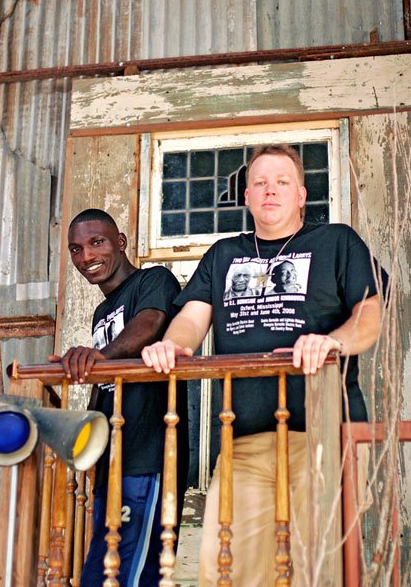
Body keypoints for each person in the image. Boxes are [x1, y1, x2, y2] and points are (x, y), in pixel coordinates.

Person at [141, 144, 383, 587]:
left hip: (325, 431)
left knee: (317, 567)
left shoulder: (336, 241)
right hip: (244, 439)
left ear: (301, 195)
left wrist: (330, 342)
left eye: (282, 182)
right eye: (260, 183)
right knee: (231, 569)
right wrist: (171, 346)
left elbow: (370, 314)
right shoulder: (223, 254)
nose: (271, 191)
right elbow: (192, 318)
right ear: (247, 197)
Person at [49, 208, 188, 587]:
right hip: (111, 466)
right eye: (76, 249)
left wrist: (97, 357)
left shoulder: (153, 280)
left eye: (97, 243)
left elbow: (150, 325)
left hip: (148, 457)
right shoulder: (101, 312)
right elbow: (104, 384)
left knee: (120, 576)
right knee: (104, 573)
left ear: (120, 243)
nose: (86, 256)